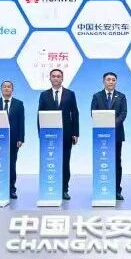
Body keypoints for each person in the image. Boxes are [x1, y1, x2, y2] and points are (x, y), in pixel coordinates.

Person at [37, 68, 79, 200]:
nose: (56, 78)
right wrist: (40, 134)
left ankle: (64, 189)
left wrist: (75, 133)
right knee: (50, 162)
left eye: (58, 76)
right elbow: (39, 115)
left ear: (62, 78)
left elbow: (75, 113)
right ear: (50, 78)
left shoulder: (70, 94)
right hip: (49, 135)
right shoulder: (44, 95)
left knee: (65, 162)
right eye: (53, 76)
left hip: (66, 134)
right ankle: (50, 188)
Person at [90, 71, 128, 200]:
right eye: (108, 79)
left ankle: (117, 190)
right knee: (102, 161)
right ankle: (101, 188)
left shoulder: (121, 96)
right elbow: (93, 113)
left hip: (116, 134)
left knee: (116, 162)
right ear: (103, 81)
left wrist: (112, 124)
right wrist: (105, 124)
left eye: (113, 80)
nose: (111, 82)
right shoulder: (97, 96)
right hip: (101, 135)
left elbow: (123, 114)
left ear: (116, 82)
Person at [0, 80, 25, 199]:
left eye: (9, 87)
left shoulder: (19, 104)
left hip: (13, 139)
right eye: (4, 86)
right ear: (1, 89)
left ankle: (11, 189)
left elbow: (21, 122)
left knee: (11, 165)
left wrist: (21, 138)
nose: (6, 88)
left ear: (12, 89)